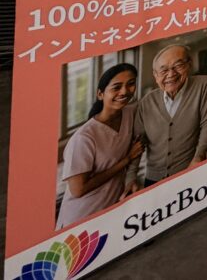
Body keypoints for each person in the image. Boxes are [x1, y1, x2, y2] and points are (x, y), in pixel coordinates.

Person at [57, 64, 143, 229]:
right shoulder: (84, 138)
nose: (124, 91)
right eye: (116, 87)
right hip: (81, 217)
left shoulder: (130, 114)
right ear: (100, 94)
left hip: (110, 212)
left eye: (131, 84)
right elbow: (78, 190)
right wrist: (126, 160)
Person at [129, 44, 207, 187]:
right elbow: (138, 142)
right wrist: (131, 178)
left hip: (190, 170)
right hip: (154, 178)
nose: (171, 74)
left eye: (178, 66)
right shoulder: (146, 102)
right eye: (163, 70)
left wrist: (199, 156)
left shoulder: (202, 84)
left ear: (189, 65)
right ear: (155, 75)